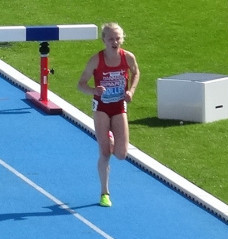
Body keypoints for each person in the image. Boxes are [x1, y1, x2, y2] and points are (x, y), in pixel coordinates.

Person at [78, 22, 140, 207]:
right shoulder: (96, 60)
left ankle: (111, 139)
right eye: (111, 39)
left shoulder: (128, 57)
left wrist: (131, 91)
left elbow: (136, 73)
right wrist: (93, 90)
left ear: (122, 38)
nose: (115, 42)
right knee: (105, 153)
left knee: (121, 154)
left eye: (118, 38)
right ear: (104, 40)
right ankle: (104, 193)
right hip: (102, 108)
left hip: (119, 106)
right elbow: (80, 84)